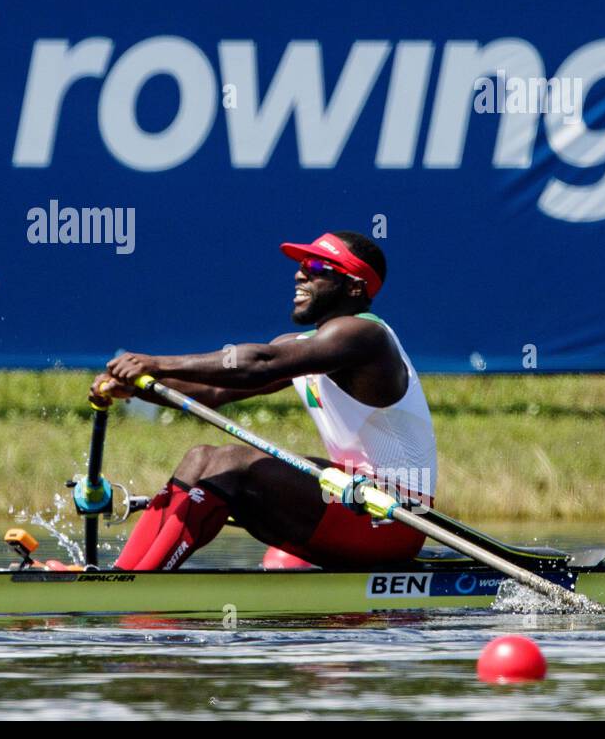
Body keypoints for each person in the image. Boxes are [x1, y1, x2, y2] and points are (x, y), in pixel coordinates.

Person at [91, 230, 436, 572]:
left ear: (354, 287)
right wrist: (136, 388)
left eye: (317, 266)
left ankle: (140, 589)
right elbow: (216, 392)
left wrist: (157, 363)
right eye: (302, 264)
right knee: (200, 458)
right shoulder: (308, 346)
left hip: (394, 521)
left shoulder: (366, 336)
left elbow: (261, 363)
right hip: (351, 501)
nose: (300, 273)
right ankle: (126, 574)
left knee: (233, 462)